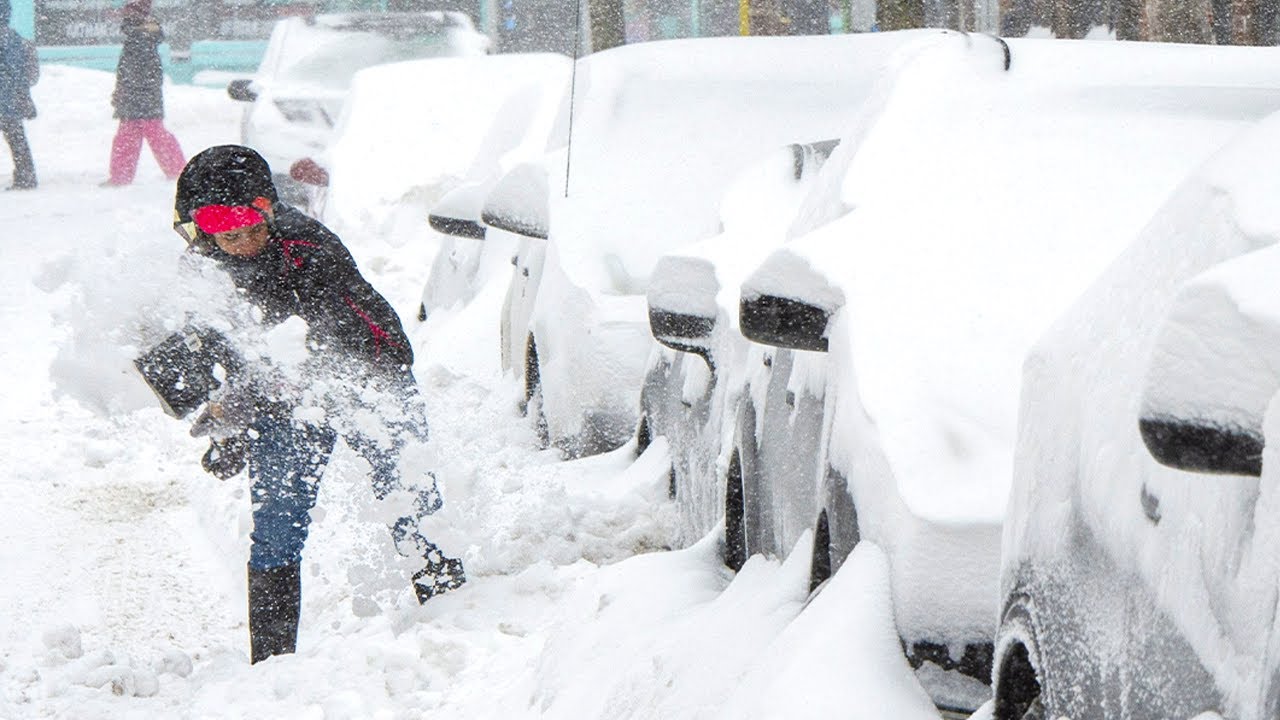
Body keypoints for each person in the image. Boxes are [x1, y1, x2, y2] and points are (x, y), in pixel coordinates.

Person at [172, 145, 465, 664]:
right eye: (222, 229)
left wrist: (244, 409)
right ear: (197, 228)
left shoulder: (308, 248)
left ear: (268, 209)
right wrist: (223, 417)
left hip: (366, 376)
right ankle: (272, 664)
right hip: (281, 399)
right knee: (277, 526)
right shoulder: (202, 268)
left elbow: (306, 347)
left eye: (248, 225)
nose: (238, 241)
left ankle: (456, 624)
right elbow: (220, 352)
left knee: (408, 498)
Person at [104, 0, 185, 186]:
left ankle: (123, 176)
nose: (123, 15)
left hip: (139, 96)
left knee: (136, 135)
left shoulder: (139, 37)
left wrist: (124, 92)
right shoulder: (143, 36)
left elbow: (137, 72)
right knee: (143, 133)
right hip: (143, 96)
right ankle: (176, 169)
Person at [0, 0, 36, 190]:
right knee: (16, 137)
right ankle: (26, 175)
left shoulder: (6, 38)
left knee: (15, 137)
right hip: (9, 98)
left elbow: (14, 69)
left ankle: (26, 176)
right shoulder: (11, 36)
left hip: (6, 98)